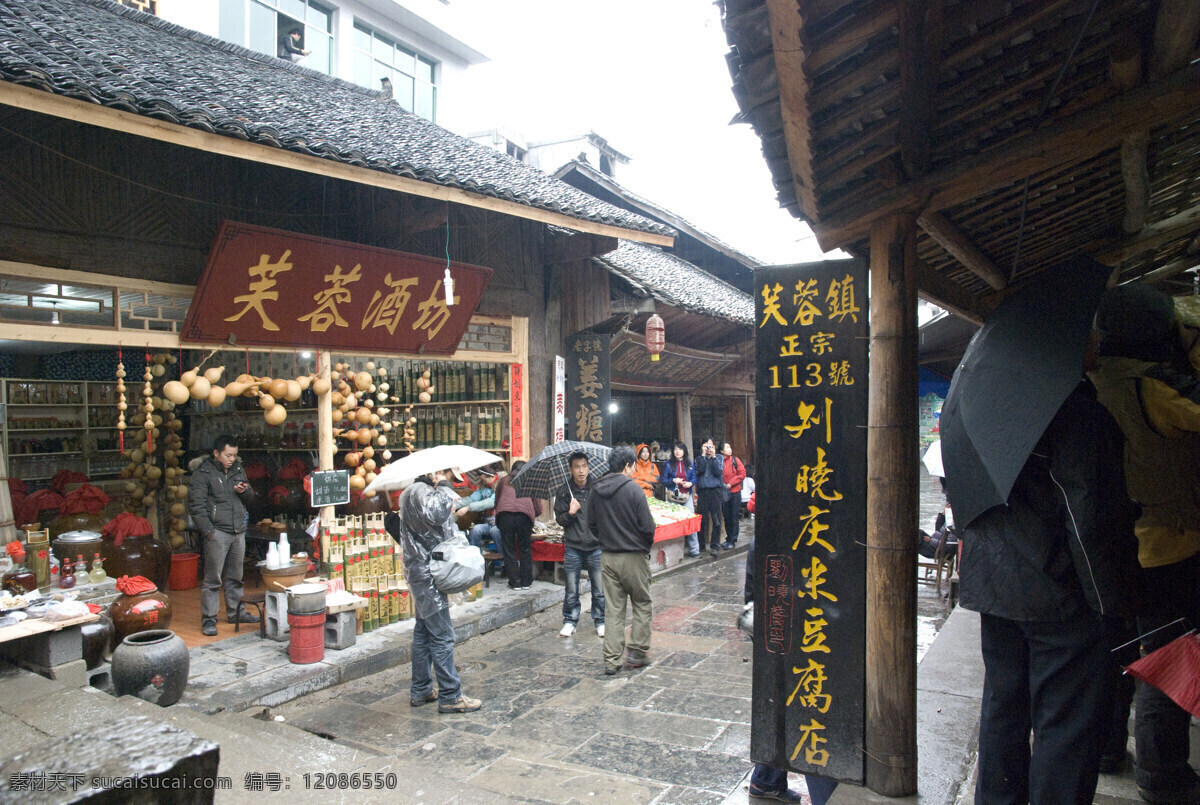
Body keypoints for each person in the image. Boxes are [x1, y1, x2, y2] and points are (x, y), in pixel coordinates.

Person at [958, 378, 1140, 804]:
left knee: (1003, 712)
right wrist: (1112, 604)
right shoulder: (1077, 414)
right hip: (1063, 593)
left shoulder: (978, 408)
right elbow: (1090, 520)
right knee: (1067, 728)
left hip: (995, 587)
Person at [1089, 284, 1200, 803]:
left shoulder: (1088, 383)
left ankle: (1108, 747)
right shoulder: (1152, 389)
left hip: (1107, 546)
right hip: (1166, 544)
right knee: (1168, 652)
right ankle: (1161, 771)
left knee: (1116, 650)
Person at [743, 542, 838, 805]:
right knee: (809, 709)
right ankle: (825, 797)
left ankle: (766, 779)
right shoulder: (791, 540)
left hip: (779, 638)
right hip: (797, 638)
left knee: (784, 705)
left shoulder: (765, 538)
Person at [385, 471, 481, 714]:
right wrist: (445, 486)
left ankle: (421, 689)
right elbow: (438, 513)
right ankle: (450, 695)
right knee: (442, 635)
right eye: (445, 472)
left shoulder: (411, 493)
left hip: (420, 571)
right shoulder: (421, 493)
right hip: (428, 574)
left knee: (423, 631)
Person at [589, 445, 656, 675]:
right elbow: (648, 527)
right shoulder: (634, 490)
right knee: (642, 603)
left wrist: (607, 540)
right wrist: (643, 547)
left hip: (608, 557)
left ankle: (611, 661)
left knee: (614, 609)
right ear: (627, 466)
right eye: (633, 465)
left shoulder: (596, 489)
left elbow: (591, 524)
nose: (634, 470)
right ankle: (637, 651)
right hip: (633, 556)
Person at [188, 434, 257, 637]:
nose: (231, 459)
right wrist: (208, 531)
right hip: (217, 532)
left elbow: (251, 497)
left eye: (234, 455)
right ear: (216, 453)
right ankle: (209, 619)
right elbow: (196, 506)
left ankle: (236, 612)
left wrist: (244, 491)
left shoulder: (238, 470)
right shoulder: (203, 474)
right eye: (228, 455)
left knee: (236, 577)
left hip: (238, 530)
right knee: (212, 579)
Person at [554, 451, 604, 638]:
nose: (581, 471)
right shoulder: (563, 491)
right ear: (570, 469)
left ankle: (601, 620)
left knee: (599, 588)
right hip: (573, 545)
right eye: (577, 467)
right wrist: (571, 512)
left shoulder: (598, 489)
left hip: (595, 546)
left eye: (584, 466)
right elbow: (560, 520)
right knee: (571, 588)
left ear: (589, 467)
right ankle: (570, 620)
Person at [494, 460, 542, 589]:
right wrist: (535, 514)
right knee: (525, 548)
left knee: (509, 549)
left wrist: (498, 514)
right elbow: (537, 505)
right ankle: (526, 582)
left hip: (505, 516)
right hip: (524, 516)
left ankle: (515, 582)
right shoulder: (531, 480)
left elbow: (497, 500)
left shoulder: (503, 480)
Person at [663, 442, 699, 556]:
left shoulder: (690, 464)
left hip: (686, 496)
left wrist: (690, 483)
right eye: (675, 449)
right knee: (673, 524)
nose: (677, 451)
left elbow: (695, 478)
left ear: (684, 451)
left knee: (691, 521)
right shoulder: (669, 464)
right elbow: (663, 480)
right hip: (673, 496)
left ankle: (694, 549)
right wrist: (673, 481)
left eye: (680, 449)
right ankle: (675, 552)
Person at [694, 437, 726, 556]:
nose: (708, 448)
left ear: (714, 447)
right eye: (705, 446)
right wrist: (703, 455)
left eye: (710, 446)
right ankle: (701, 545)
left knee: (716, 519)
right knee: (702, 519)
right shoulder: (698, 459)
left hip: (715, 491)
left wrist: (712, 457)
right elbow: (700, 470)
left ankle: (715, 546)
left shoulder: (719, 458)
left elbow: (718, 471)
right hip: (703, 491)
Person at [455, 470, 500, 553]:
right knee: (475, 530)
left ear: (492, 476)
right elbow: (472, 499)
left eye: (484, 480)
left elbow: (491, 502)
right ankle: (475, 556)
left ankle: (503, 558)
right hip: (489, 522)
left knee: (495, 532)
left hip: (500, 522)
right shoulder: (484, 488)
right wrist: (455, 504)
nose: (483, 482)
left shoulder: (501, 486)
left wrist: (468, 508)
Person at [719, 442, 746, 549]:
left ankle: (733, 540)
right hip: (724, 492)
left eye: (730, 447)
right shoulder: (719, 461)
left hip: (735, 492)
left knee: (734, 517)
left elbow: (742, 474)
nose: (730, 449)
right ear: (721, 451)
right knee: (726, 516)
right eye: (727, 447)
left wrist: (731, 482)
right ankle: (728, 538)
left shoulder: (735, 460)